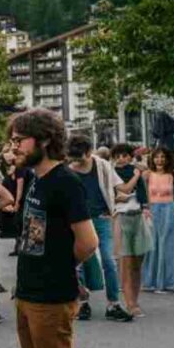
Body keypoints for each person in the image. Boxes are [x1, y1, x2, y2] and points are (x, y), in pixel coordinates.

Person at [9, 108, 99, 348]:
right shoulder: (33, 178)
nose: (12, 147)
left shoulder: (65, 182)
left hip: (51, 297)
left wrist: (63, 271)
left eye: (19, 140)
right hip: (27, 294)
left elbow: (89, 242)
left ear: (43, 140)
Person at [65, 134, 137, 321]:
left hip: (101, 218)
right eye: (72, 159)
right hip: (77, 222)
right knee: (77, 264)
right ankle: (83, 303)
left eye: (79, 158)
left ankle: (113, 304)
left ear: (89, 152)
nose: (76, 163)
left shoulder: (103, 166)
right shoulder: (67, 170)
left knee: (109, 261)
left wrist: (136, 176)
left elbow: (122, 188)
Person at [110, 143, 153, 317]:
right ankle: (130, 304)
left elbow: (141, 195)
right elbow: (121, 193)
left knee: (137, 263)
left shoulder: (137, 171)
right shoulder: (110, 174)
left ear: (130, 156)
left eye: (125, 155)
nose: (121, 158)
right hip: (121, 217)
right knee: (126, 263)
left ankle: (135, 300)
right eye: (118, 155)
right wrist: (136, 176)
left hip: (138, 216)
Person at [142, 148, 174, 293]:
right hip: (152, 210)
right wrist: (145, 208)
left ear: (167, 159)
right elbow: (142, 194)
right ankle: (151, 282)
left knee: (168, 245)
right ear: (152, 159)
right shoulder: (146, 175)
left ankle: (167, 283)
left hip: (169, 211)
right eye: (156, 157)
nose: (159, 160)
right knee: (152, 246)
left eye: (162, 157)